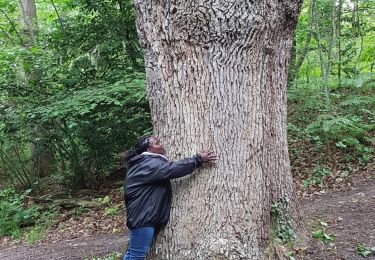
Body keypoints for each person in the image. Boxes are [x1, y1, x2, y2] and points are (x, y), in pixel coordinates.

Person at [123, 136, 217, 260]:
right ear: (149, 149)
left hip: (140, 217)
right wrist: (198, 159)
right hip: (143, 219)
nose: (162, 145)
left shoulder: (142, 163)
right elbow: (172, 169)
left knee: (132, 254)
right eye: (157, 143)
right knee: (136, 255)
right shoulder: (148, 164)